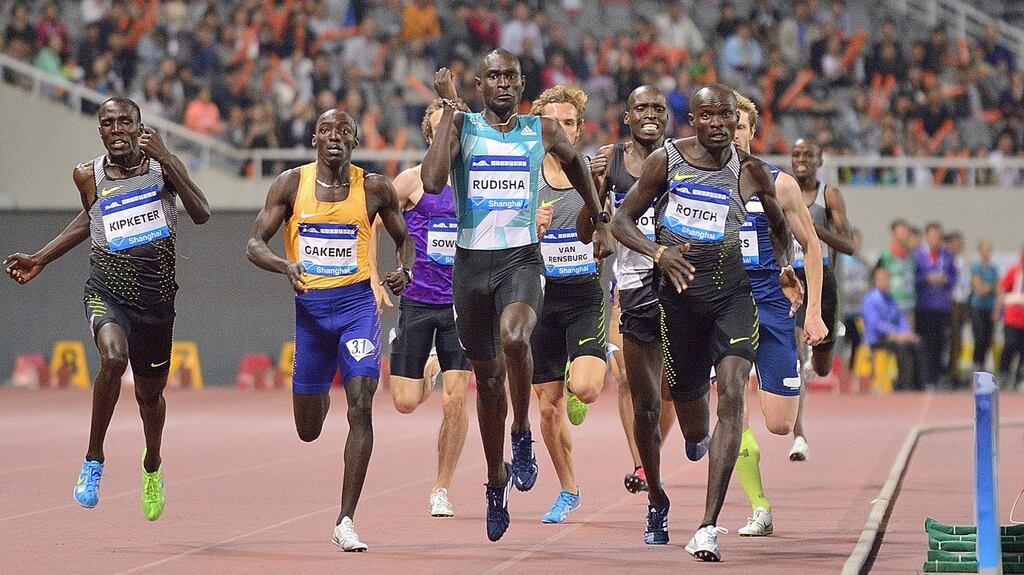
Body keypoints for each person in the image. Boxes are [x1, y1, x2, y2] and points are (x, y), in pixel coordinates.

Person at [612, 84, 822, 562]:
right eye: (706, 116)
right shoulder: (667, 161)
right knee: (693, 426)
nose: (717, 124)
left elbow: (775, 225)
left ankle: (707, 526)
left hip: (734, 299)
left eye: (725, 116)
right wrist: (658, 253)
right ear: (693, 121)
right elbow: (622, 222)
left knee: (732, 396)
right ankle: (695, 439)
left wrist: (785, 266)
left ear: (737, 120)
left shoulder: (750, 172)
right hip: (680, 303)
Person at [420, 49, 612, 542]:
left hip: (521, 260)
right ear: (481, 85)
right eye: (494, 77)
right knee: (487, 384)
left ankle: (521, 432)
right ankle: (494, 481)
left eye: (511, 76)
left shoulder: (540, 131)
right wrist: (450, 111)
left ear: (521, 85)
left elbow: (578, 167)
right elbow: (433, 180)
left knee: (514, 336)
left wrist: (600, 220)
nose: (503, 83)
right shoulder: (463, 128)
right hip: (471, 266)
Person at [4, 97, 210, 521]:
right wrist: (41, 258)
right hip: (106, 290)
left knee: (150, 397)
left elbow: (202, 213)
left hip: (156, 302)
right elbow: (89, 219)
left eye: (124, 122)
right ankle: (93, 459)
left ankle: (152, 463)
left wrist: (168, 158)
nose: (116, 129)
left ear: (139, 127)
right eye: (108, 123)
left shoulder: (161, 170)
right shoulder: (87, 174)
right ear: (100, 131)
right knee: (113, 358)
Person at [246, 109, 414, 552]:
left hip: (357, 308)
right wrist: (284, 265)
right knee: (308, 429)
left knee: (361, 403)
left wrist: (405, 271)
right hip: (312, 317)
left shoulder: (374, 188)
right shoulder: (289, 185)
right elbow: (253, 243)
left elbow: (405, 238)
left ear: (355, 141)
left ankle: (345, 519)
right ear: (314, 139)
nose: (334, 137)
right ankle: (317, 388)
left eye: (344, 131)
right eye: (326, 130)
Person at [730, 92, 828, 537]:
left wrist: (813, 314)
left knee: (779, 423)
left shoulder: (779, 183)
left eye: (738, 125)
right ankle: (759, 506)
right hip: (724, 307)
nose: (728, 132)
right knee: (732, 407)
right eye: (721, 122)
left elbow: (812, 247)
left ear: (752, 132)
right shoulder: (691, 179)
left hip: (772, 305)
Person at [380, 99, 473, 518]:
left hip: (462, 306)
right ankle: (424, 364)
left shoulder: (475, 182)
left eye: (455, 127)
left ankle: (441, 487)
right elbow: (371, 221)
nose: (447, 134)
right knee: (405, 401)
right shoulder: (412, 181)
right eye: (440, 127)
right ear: (429, 134)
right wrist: (371, 276)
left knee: (456, 400)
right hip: (417, 301)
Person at [591, 85, 678, 495]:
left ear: (667, 116)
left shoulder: (683, 160)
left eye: (658, 108)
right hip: (629, 283)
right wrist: (595, 204)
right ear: (626, 116)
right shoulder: (611, 161)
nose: (650, 114)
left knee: (673, 384)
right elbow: (592, 228)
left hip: (679, 282)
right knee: (627, 377)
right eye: (640, 107)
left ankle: (660, 443)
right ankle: (643, 463)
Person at [526, 85, 607, 524]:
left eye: (569, 123)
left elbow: (609, 228)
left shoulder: (593, 177)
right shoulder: (524, 177)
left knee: (586, 388)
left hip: (582, 296)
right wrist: (526, 224)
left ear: (578, 130)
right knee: (548, 409)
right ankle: (568, 489)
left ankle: (585, 373)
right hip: (540, 300)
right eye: (552, 124)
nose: (560, 131)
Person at [788, 137, 856, 461]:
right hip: (790, 280)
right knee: (793, 351)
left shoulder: (829, 194)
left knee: (823, 366)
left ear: (820, 160)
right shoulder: (782, 190)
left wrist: (816, 233)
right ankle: (799, 434)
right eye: (796, 154)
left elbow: (850, 244)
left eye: (808, 155)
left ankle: (812, 363)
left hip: (823, 280)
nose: (801, 160)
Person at [862, 265, 923, 390]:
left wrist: (907, 333)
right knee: (901, 346)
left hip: (894, 336)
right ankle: (903, 384)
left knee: (917, 343)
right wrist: (896, 334)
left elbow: (900, 319)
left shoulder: (891, 298)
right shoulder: (871, 300)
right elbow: (875, 324)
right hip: (878, 339)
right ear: (875, 281)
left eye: (887, 278)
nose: (886, 282)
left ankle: (919, 383)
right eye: (882, 279)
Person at [913, 222, 957, 389]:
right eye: (932, 237)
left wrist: (946, 280)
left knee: (940, 343)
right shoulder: (917, 255)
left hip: (942, 306)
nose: (935, 240)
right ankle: (925, 378)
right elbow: (913, 279)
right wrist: (927, 279)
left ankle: (937, 377)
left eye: (938, 237)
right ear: (926, 237)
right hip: (923, 307)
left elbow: (954, 276)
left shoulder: (947, 255)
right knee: (925, 343)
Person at [995, 245, 1024, 390]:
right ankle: (1004, 373)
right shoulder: (1014, 271)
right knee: (1010, 345)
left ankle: (1020, 377)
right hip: (1012, 317)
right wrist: (998, 310)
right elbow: (1002, 289)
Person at [878, 219, 917, 322]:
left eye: (906, 231)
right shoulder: (886, 256)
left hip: (909, 307)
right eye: (901, 231)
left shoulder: (912, 256)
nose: (905, 235)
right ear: (893, 233)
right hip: (891, 308)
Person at [969, 239, 998, 372]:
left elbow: (998, 288)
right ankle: (976, 364)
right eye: (984, 249)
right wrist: (989, 287)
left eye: (989, 249)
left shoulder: (993, 268)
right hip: (978, 307)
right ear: (980, 251)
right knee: (979, 337)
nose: (986, 252)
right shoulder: (976, 267)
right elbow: (979, 289)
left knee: (987, 338)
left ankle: (983, 364)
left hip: (990, 307)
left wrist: (990, 288)